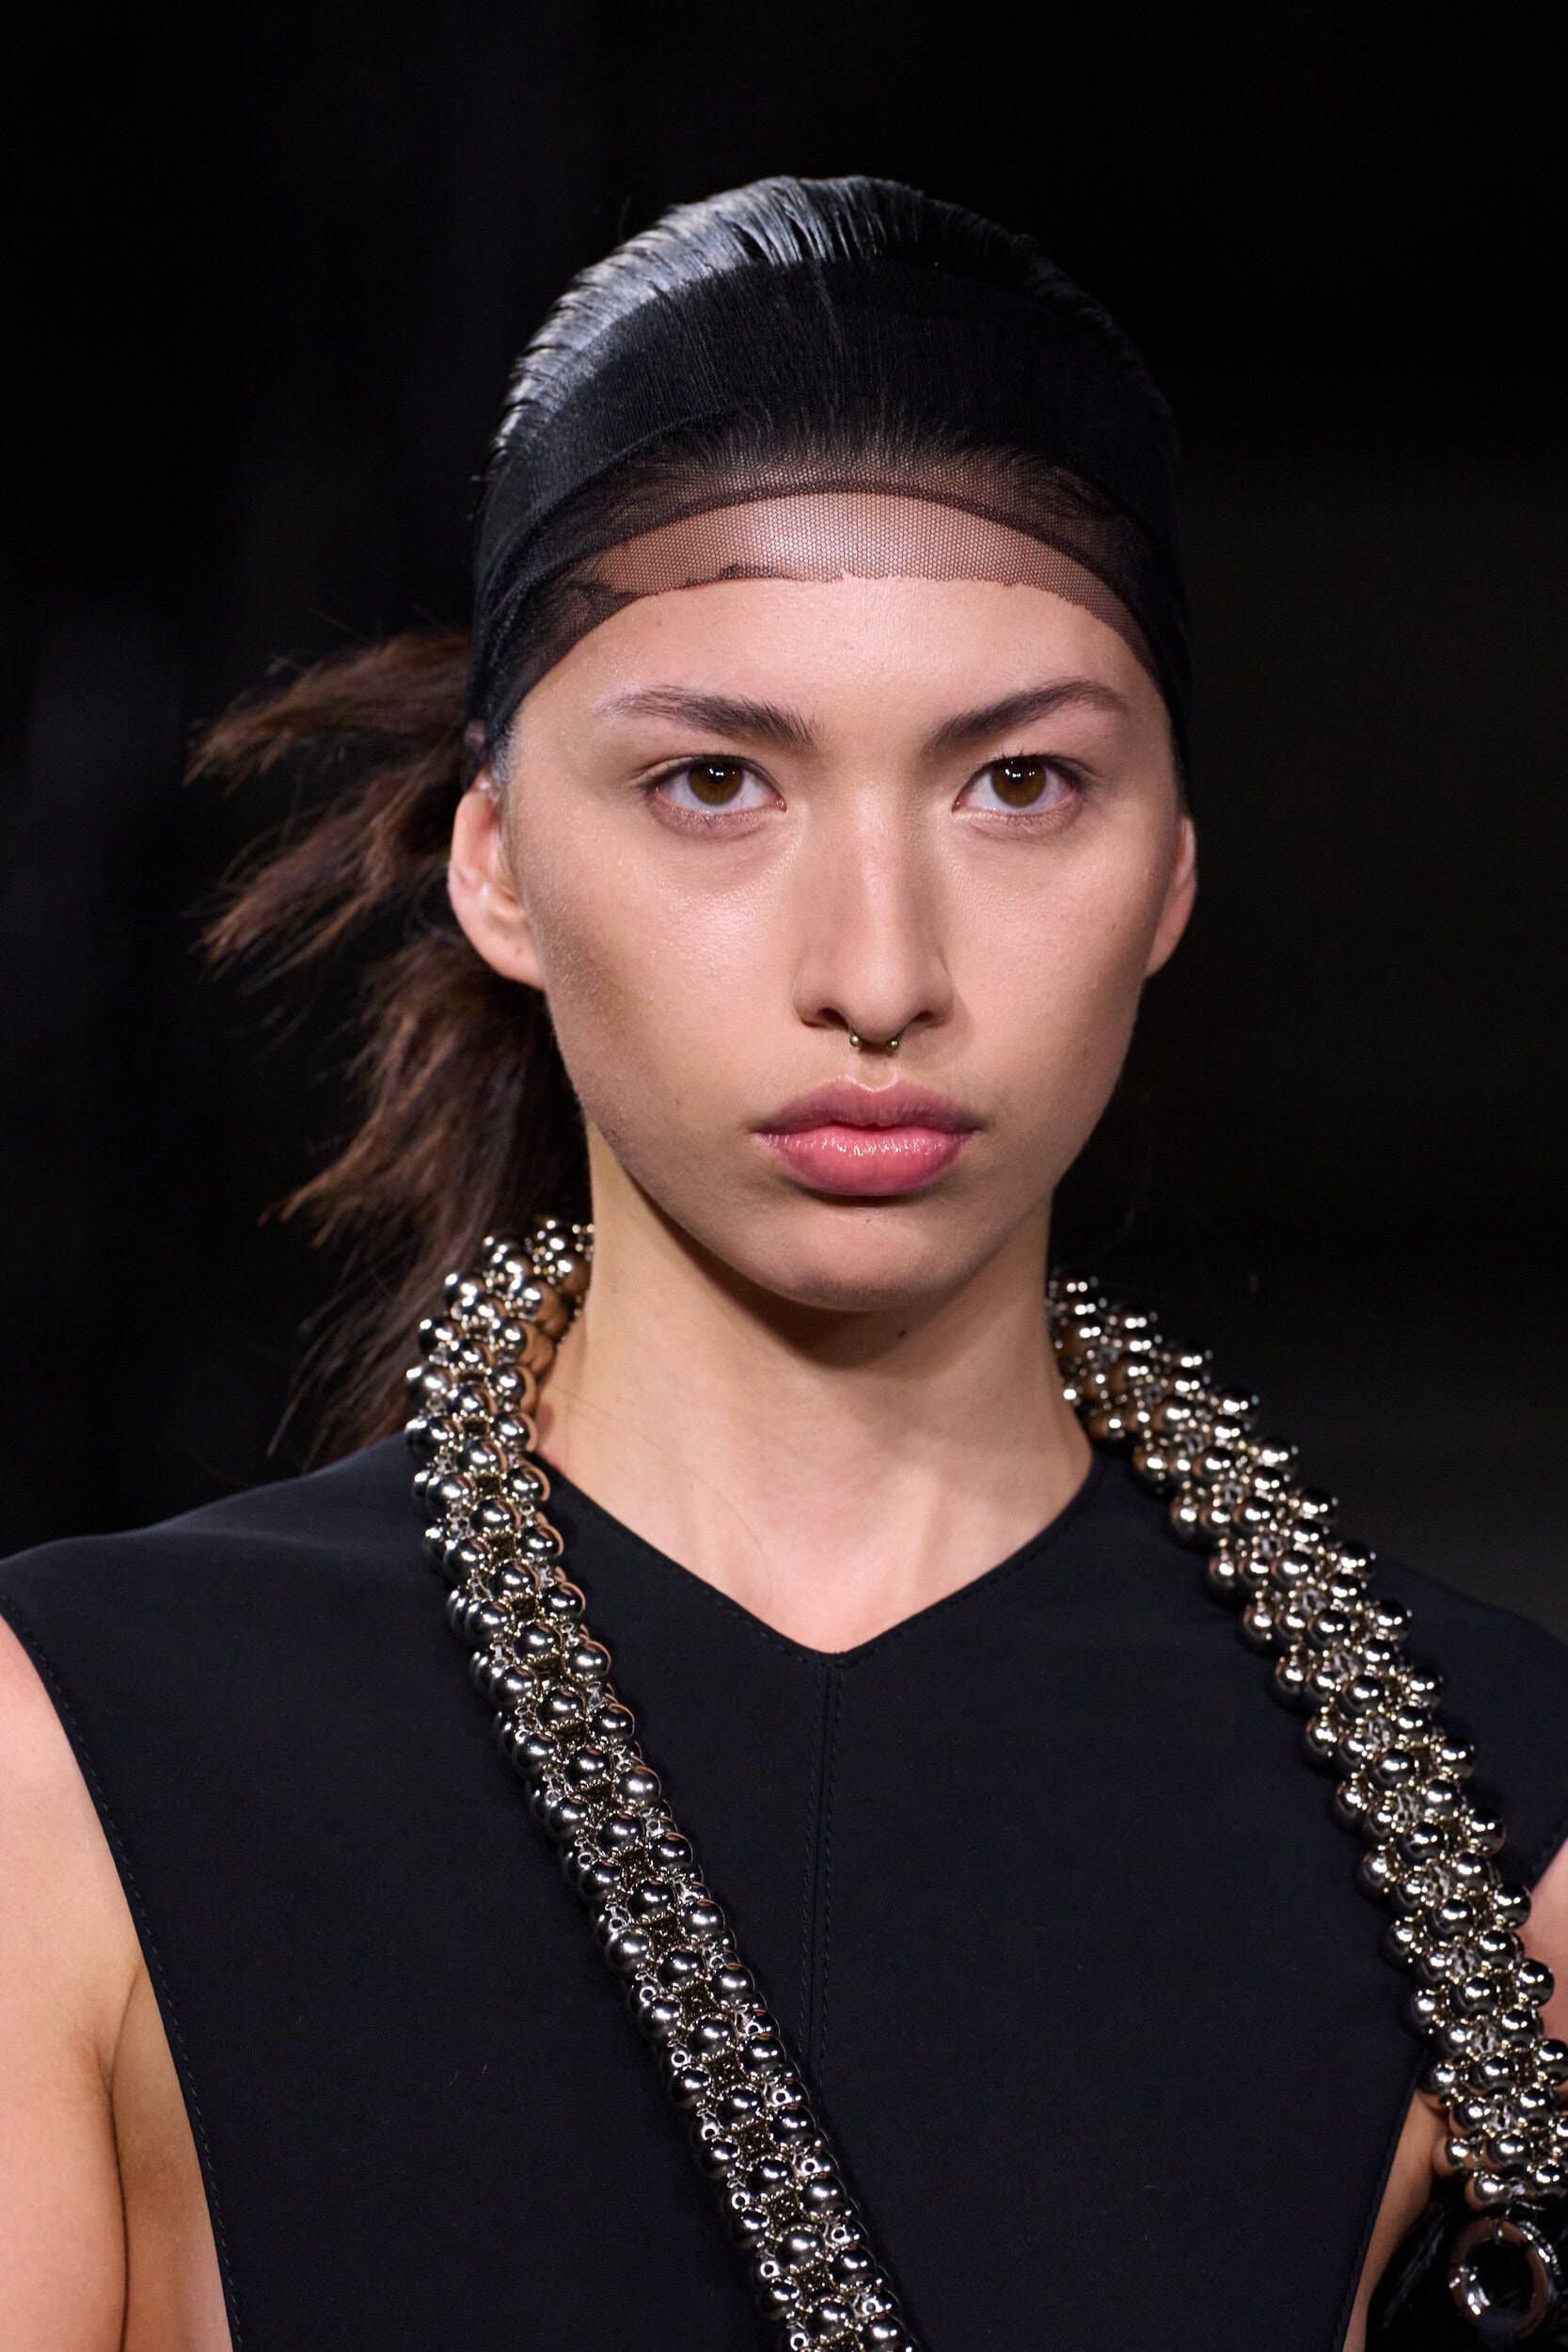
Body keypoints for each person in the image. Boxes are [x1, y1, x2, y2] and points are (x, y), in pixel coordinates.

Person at [1, 175, 1565, 2352]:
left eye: (1020, 782)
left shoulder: (1503, 1824)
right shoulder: (78, 1760)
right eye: (717, 779)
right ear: (498, 863)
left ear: (1169, 872)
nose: (880, 968)